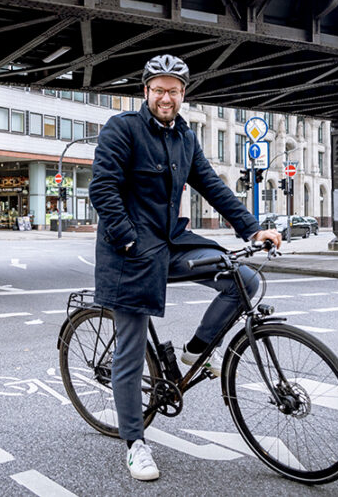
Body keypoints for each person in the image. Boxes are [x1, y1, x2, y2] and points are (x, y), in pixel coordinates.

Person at [89, 54, 282, 481]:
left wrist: (252, 229)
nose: (165, 97)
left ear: (182, 95)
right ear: (145, 92)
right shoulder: (122, 129)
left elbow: (212, 185)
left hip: (171, 241)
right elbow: (101, 189)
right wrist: (128, 239)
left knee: (244, 279)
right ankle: (135, 443)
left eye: (173, 90)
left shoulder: (184, 137)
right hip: (130, 252)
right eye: (158, 89)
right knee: (130, 349)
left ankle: (195, 351)